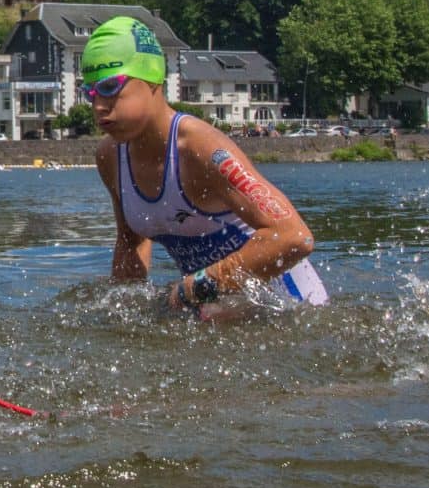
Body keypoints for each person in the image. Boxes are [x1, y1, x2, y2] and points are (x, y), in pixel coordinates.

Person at [86, 17, 327, 312]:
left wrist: (196, 287)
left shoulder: (201, 148)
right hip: (212, 307)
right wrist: (122, 313)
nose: (98, 105)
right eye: (91, 92)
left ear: (152, 81)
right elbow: (130, 242)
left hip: (289, 307)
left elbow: (293, 237)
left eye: (110, 87)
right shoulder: (110, 156)